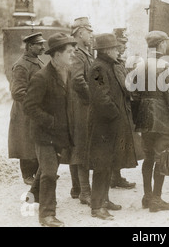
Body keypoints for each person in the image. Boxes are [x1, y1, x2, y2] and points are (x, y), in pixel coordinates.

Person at [23, 33, 77, 227]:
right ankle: (47, 215)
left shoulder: (66, 72)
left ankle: (31, 197)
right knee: (49, 173)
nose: (73, 54)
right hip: (44, 134)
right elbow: (29, 106)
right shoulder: (41, 77)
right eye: (69, 52)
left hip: (59, 133)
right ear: (56, 54)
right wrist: (52, 122)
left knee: (47, 168)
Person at [133, 31, 169, 212]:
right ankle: (156, 198)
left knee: (148, 158)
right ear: (162, 44)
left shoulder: (139, 65)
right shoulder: (167, 66)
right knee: (161, 158)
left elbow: (134, 95)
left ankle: (147, 197)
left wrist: (137, 117)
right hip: (162, 117)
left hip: (144, 117)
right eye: (166, 42)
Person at [87, 34, 137, 221]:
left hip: (110, 124)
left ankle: (104, 200)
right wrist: (116, 116)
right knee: (101, 166)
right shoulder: (99, 68)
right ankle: (97, 207)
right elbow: (101, 98)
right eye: (116, 48)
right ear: (107, 50)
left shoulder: (108, 65)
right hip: (104, 125)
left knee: (107, 164)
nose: (119, 50)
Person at [8, 32, 46, 185]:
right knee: (25, 142)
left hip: (36, 110)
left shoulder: (37, 61)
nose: (43, 47)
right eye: (40, 45)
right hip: (25, 112)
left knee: (36, 141)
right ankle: (27, 175)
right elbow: (17, 92)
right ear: (30, 46)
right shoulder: (21, 65)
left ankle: (38, 173)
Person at [68, 17, 94, 205]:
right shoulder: (77, 54)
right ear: (80, 32)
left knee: (77, 146)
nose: (91, 35)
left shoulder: (85, 53)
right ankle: (85, 192)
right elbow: (78, 80)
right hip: (81, 107)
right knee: (82, 147)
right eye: (89, 31)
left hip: (80, 106)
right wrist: (92, 98)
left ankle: (77, 188)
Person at [110, 28, 137, 190]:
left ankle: (116, 176)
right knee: (115, 143)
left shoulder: (120, 61)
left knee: (120, 143)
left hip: (121, 108)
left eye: (125, 44)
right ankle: (113, 177)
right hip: (115, 108)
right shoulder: (114, 63)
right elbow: (125, 85)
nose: (124, 48)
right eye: (121, 44)